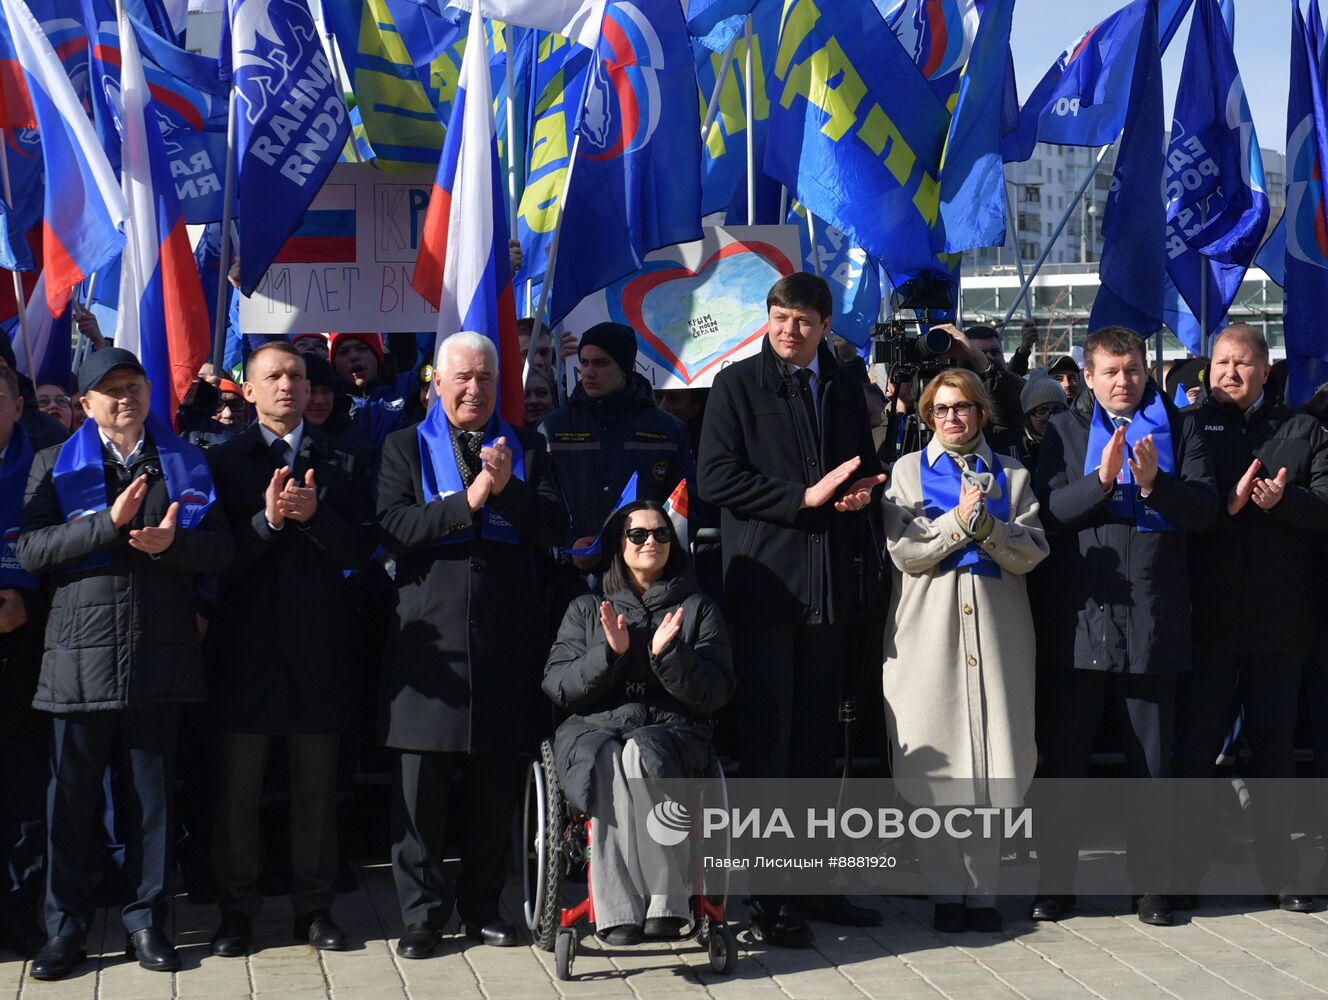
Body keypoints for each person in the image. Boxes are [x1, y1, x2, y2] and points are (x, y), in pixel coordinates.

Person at [18, 348, 233, 979]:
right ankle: (65, 930)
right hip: (78, 658)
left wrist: (175, 545)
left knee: (151, 803)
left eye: (133, 386)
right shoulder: (54, 464)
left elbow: (221, 548)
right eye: (109, 391)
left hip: (158, 654)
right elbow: (31, 550)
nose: (124, 399)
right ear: (85, 405)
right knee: (71, 804)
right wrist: (105, 526)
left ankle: (147, 922)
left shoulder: (184, 459)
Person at [697, 273, 884, 946]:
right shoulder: (736, 386)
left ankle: (811, 884)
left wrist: (855, 496)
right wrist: (800, 500)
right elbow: (715, 478)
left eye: (804, 320)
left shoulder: (837, 386)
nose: (789, 330)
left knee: (815, 750)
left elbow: (858, 468)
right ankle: (768, 897)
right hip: (767, 592)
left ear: (825, 326)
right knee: (770, 751)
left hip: (830, 591)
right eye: (780, 316)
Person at [377, 332, 567, 960]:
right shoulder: (404, 447)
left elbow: (552, 528)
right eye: (461, 378)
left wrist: (508, 487)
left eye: (485, 379)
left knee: (493, 788)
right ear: (436, 381)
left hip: (503, 645)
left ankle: (484, 905)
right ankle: (421, 916)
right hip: (430, 651)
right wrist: (470, 500)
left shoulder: (527, 445)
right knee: (420, 794)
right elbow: (398, 528)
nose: (473, 389)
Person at [1031, 326, 1219, 927]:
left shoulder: (1181, 428)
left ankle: (1152, 888)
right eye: (1110, 372)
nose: (1123, 381)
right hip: (1081, 615)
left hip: (1152, 617)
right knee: (1066, 760)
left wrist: (1153, 482)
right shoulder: (1063, 431)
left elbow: (1203, 511)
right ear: (1088, 377)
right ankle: (1055, 883)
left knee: (1152, 763)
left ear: (1146, 373)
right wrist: (1103, 480)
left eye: (1132, 370)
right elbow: (1050, 513)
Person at [204, 341, 377, 955]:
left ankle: (316, 908)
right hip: (244, 652)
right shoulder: (223, 463)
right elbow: (217, 556)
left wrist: (315, 517)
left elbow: (364, 549)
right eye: (273, 376)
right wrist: (271, 521)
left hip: (320, 650)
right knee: (239, 792)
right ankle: (237, 911)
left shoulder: (347, 459)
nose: (287, 385)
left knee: (315, 789)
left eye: (296, 376)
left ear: (310, 390)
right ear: (248, 390)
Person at [880, 368, 1048, 933]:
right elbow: (906, 551)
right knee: (938, 762)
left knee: (991, 761)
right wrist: (960, 523)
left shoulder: (1015, 476)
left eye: (965, 407)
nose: (954, 417)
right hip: (927, 635)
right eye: (943, 408)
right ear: (930, 415)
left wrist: (991, 528)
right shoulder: (905, 473)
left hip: (999, 636)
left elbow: (1031, 550)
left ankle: (984, 895)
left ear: (981, 412)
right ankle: (944, 893)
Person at [1174, 326, 1328, 912]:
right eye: (1221, 363)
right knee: (1195, 751)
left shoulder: (1301, 428)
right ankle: (1183, 871)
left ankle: (1280, 873)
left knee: (1274, 753)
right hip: (1206, 620)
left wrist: (1281, 502)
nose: (1229, 374)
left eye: (1242, 364)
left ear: (1267, 371)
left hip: (1278, 619)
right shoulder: (1189, 426)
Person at [543, 501, 734, 944]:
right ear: (618, 545)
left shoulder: (697, 610)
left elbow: (717, 691)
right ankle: (618, 912)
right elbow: (558, 685)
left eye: (662, 534)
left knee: (638, 752)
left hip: (674, 733)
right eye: (639, 535)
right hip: (595, 731)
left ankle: (665, 904)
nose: (652, 542)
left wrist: (671, 655)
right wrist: (608, 652)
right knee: (612, 754)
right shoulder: (586, 610)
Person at [539, 322, 693, 561]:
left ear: (625, 368)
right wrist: (570, 546)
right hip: (571, 575)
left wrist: (653, 547)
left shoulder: (668, 430)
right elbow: (543, 501)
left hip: (646, 573)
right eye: (584, 362)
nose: (588, 372)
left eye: (600, 363)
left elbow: (686, 505)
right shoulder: (553, 428)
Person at [0, 367, 49, 958]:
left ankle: (20, 916)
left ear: (17, 404)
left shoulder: (49, 467)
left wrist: (23, 609)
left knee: (25, 790)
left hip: (30, 643)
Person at [932, 325, 1025, 453]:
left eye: (995, 352)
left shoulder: (1019, 386)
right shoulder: (947, 392)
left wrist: (982, 362)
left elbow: (1006, 420)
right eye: (981, 353)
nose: (989, 357)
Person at [330, 333, 421, 449]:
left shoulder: (408, 385)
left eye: (362, 349)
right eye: (343, 352)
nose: (353, 356)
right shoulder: (327, 400)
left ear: (378, 355)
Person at [1015, 372, 1069, 475]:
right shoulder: (1015, 454)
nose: (1051, 418)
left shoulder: (1076, 446)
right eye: (1042, 412)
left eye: (1057, 410)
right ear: (1027, 417)